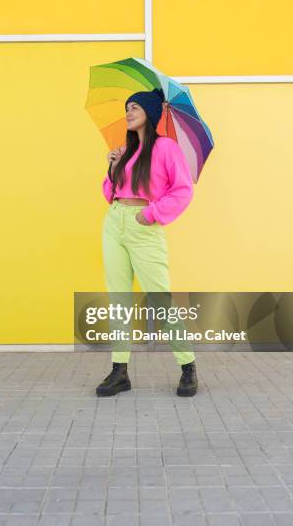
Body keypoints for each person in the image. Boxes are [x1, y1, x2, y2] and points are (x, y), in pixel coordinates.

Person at [96, 87, 198, 398]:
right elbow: (109, 194)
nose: (128, 112)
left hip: (144, 225)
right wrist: (111, 167)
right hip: (115, 223)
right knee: (118, 300)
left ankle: (188, 366)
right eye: (127, 107)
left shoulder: (166, 148)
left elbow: (183, 191)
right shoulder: (124, 151)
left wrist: (152, 213)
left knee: (159, 299)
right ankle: (119, 371)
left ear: (150, 115)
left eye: (135, 108)